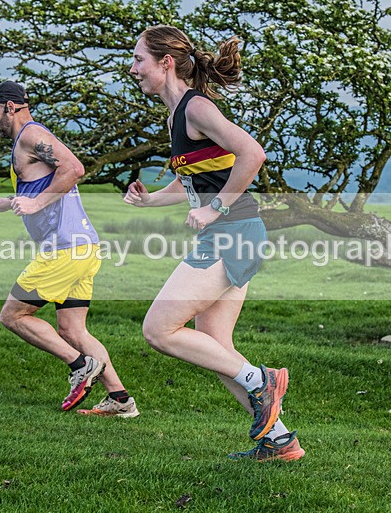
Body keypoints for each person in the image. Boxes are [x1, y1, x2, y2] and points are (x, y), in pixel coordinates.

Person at [124, 26, 304, 460]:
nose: (132, 70)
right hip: (233, 234)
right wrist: (151, 200)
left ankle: (262, 380)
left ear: (165, 63)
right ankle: (278, 441)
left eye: (138, 61)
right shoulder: (176, 116)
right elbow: (196, 178)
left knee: (159, 330)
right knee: (215, 345)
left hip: (232, 233)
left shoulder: (196, 108)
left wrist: (216, 209)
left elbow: (252, 153)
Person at [0, 81, 138, 418]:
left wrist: (36, 204)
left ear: (9, 107)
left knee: (14, 315)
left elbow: (74, 169)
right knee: (73, 329)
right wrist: (8, 203)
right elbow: (40, 186)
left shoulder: (32, 136)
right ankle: (121, 401)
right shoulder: (28, 141)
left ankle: (80, 366)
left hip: (63, 250)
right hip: (83, 248)